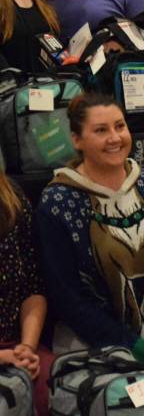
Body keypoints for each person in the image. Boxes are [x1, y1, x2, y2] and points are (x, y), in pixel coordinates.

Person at [35, 93, 144, 368]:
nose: (115, 138)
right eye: (101, 130)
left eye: (120, 126)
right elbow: (67, 297)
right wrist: (133, 347)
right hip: (90, 353)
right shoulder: (57, 203)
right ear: (76, 139)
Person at [0, 170, 52, 415]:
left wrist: (26, 348)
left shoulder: (12, 196)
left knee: (57, 385)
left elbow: (34, 287)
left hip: (18, 343)